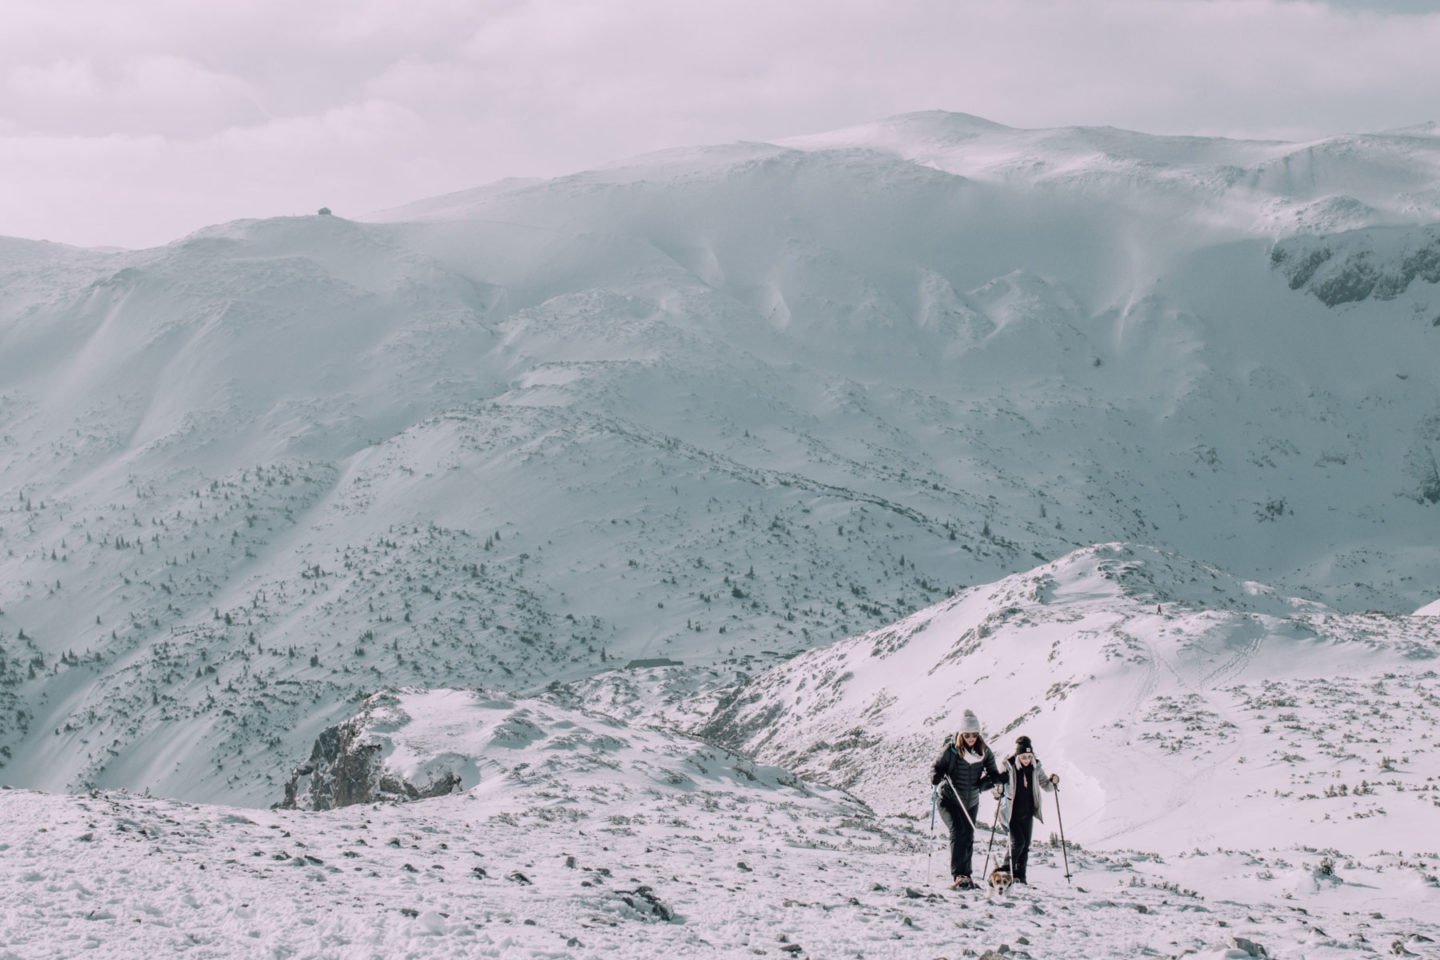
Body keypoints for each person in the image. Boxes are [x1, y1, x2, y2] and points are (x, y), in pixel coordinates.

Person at [930, 709, 1001, 889]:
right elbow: (936, 767)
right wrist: (936, 777)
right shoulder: (951, 750)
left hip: (971, 802)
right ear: (961, 734)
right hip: (949, 799)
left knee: (968, 835)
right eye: (967, 735)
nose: (971, 738)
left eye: (974, 734)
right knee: (958, 830)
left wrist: (997, 779)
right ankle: (958, 875)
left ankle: (966, 875)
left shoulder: (984, 751)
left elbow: (991, 774)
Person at [993, 735, 1059, 885]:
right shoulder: (1008, 766)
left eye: (1029, 756)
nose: (1027, 759)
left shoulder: (1036, 767)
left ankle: (1020, 877)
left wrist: (1054, 782)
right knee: (1018, 843)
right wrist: (999, 787)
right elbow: (996, 791)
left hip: (1027, 812)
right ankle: (1005, 871)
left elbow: (1046, 786)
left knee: (1025, 845)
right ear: (1018, 756)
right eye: (1023, 756)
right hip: (1010, 814)